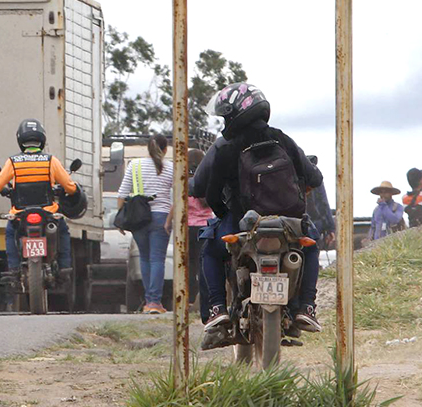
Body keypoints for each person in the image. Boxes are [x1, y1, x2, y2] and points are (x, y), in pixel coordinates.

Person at [194, 83, 324, 349]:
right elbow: (315, 177)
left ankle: (217, 308)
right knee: (311, 246)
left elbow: (208, 191)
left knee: (209, 250)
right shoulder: (282, 139)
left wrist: (223, 214)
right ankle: (306, 307)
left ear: (234, 114)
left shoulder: (224, 147)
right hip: (289, 223)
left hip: (243, 221)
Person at [0, 119, 78, 282]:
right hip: (48, 212)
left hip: (20, 213)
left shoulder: (13, 162)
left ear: (20, 140)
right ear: (42, 139)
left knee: (10, 232)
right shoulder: (51, 161)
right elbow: (70, 188)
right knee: (63, 230)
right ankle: (65, 267)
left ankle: (14, 269)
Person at [117, 134, 175, 314]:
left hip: (138, 217)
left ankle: (149, 301)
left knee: (144, 258)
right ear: (165, 150)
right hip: (161, 217)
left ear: (147, 149)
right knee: (157, 258)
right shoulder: (171, 168)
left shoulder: (135, 165)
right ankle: (154, 302)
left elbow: (122, 194)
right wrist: (169, 220)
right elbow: (178, 197)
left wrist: (121, 218)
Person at [186, 148, 214, 310]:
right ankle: (206, 299)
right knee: (204, 263)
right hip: (205, 226)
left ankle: (189, 299)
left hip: (187, 227)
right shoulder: (207, 178)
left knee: (188, 264)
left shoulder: (183, 181)